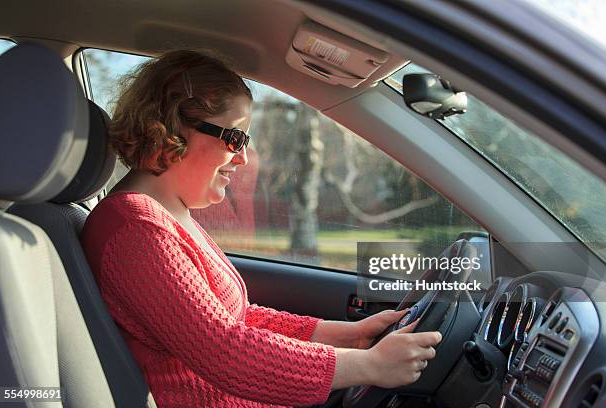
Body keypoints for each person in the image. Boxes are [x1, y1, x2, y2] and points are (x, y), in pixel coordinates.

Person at [80, 49, 442, 408]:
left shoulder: (167, 214)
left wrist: (350, 336)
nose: (243, 158)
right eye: (235, 138)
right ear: (175, 128)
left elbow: (240, 319)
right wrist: (370, 366)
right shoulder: (135, 228)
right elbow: (223, 350)